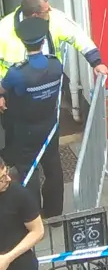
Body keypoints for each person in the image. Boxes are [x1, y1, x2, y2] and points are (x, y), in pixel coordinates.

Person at [0, 0, 108, 217]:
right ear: (35, 16)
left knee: (28, 166)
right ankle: (46, 213)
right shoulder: (5, 31)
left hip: (30, 110)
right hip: (30, 108)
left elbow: (79, 36)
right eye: (47, 11)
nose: (52, 13)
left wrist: (96, 61)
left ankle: (38, 215)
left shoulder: (54, 21)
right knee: (47, 161)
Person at [0, 17, 65, 220]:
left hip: (25, 129)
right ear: (44, 40)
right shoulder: (56, 65)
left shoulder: (17, 73)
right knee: (53, 166)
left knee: (28, 171)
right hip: (50, 125)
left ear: (22, 42)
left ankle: (33, 215)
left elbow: (2, 89)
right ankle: (55, 214)